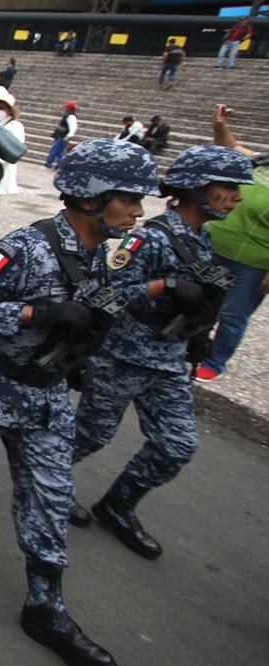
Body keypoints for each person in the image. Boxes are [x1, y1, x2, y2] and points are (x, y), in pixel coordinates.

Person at [0, 139, 162, 666]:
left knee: (50, 493)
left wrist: (151, 295)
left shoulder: (103, 256)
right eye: (128, 199)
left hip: (47, 399)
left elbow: (100, 304)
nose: (138, 211)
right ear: (90, 197)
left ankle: (45, 604)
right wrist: (35, 315)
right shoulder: (24, 247)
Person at [69, 145, 252, 558]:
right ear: (197, 189)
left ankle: (118, 505)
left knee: (178, 443)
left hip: (167, 360)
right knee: (91, 434)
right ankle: (50, 485)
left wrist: (198, 332)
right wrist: (161, 287)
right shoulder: (149, 239)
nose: (237, 197)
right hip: (123, 357)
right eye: (229, 187)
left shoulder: (203, 237)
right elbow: (107, 293)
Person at [200, 105, 269, 381]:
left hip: (251, 262)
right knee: (199, 300)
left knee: (231, 314)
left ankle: (215, 361)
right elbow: (232, 146)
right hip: (212, 244)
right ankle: (191, 346)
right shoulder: (262, 162)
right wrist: (220, 125)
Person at [45, 101, 78, 170]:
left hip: (64, 136)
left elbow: (73, 128)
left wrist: (68, 136)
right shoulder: (68, 115)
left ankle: (49, 164)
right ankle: (58, 166)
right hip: (61, 136)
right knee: (59, 151)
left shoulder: (71, 117)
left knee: (57, 151)